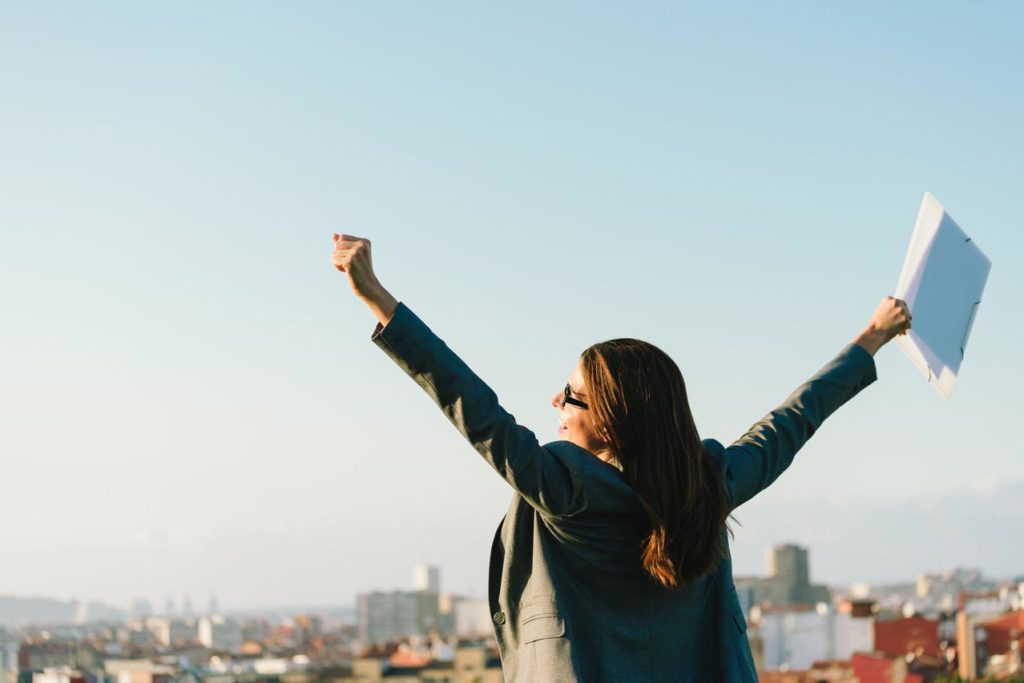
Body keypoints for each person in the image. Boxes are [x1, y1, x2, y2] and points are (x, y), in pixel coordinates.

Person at [331, 233, 911, 682]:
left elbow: (468, 401)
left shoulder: (560, 487)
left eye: (571, 395)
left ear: (609, 418)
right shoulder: (710, 485)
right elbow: (793, 422)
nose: (555, 402)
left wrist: (376, 298)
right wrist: (872, 337)